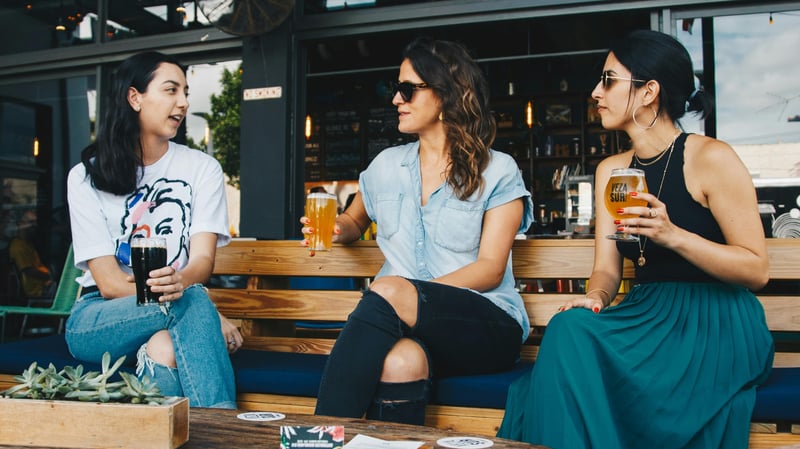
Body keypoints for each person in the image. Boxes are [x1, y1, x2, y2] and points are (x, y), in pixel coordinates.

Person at [497, 29, 773, 449]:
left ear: (649, 92)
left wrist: (673, 235)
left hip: (714, 320)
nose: (595, 92)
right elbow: (606, 270)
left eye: (608, 80)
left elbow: (756, 269)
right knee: (569, 328)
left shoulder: (711, 158)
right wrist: (595, 297)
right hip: (645, 312)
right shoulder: (612, 171)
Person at [302, 37, 533, 425]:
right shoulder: (386, 166)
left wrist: (413, 297)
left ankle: (320, 433)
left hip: (484, 324)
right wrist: (333, 228)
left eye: (408, 89)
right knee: (399, 362)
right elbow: (355, 221)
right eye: (397, 89)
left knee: (391, 288)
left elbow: (491, 269)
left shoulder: (497, 170)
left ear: (446, 94)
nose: (396, 99)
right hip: (409, 328)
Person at [65, 51, 241, 408]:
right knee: (191, 298)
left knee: (164, 347)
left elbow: (203, 261)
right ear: (135, 98)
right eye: (171, 90)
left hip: (172, 307)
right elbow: (111, 284)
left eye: (186, 92)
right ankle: (224, 428)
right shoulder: (85, 176)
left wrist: (184, 289)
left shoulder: (201, 168)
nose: (184, 103)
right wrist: (197, 302)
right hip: (97, 318)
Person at [8, 210, 54, 299]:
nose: (34, 226)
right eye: (30, 222)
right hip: (36, 289)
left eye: (35, 223)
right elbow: (28, 271)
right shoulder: (18, 246)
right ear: (21, 223)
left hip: (45, 285)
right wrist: (51, 276)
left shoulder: (28, 243)